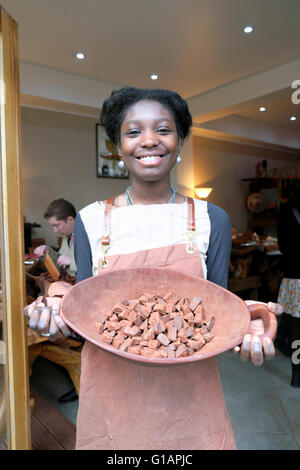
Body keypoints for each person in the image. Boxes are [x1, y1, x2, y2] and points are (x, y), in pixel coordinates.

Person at [25, 87, 282, 450]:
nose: (149, 141)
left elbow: (217, 315)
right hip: (113, 407)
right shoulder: (90, 220)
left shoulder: (213, 219)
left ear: (180, 141)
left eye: (163, 130)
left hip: (191, 406)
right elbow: (86, 310)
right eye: (133, 132)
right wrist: (53, 311)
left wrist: (249, 322)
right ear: (118, 145)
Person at [275, 187, 300, 387]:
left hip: (294, 276)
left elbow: (282, 246)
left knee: (295, 327)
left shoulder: (285, 210)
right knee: (296, 328)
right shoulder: (286, 211)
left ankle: (297, 374)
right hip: (295, 276)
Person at [34, 198, 77, 277]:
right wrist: (47, 252)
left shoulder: (90, 237)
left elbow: (100, 266)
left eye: (57, 225)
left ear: (71, 220)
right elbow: (60, 264)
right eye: (53, 226)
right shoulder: (66, 237)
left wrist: (72, 262)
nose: (55, 230)